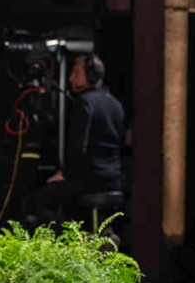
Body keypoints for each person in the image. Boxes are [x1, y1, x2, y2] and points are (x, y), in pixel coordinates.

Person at [32, 54, 125, 220]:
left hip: (90, 182)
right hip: (114, 181)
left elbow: (78, 148)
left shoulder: (84, 102)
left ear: (90, 76)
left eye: (76, 73)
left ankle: (70, 240)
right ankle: (103, 233)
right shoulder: (115, 103)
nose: (70, 77)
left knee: (41, 199)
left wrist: (64, 173)